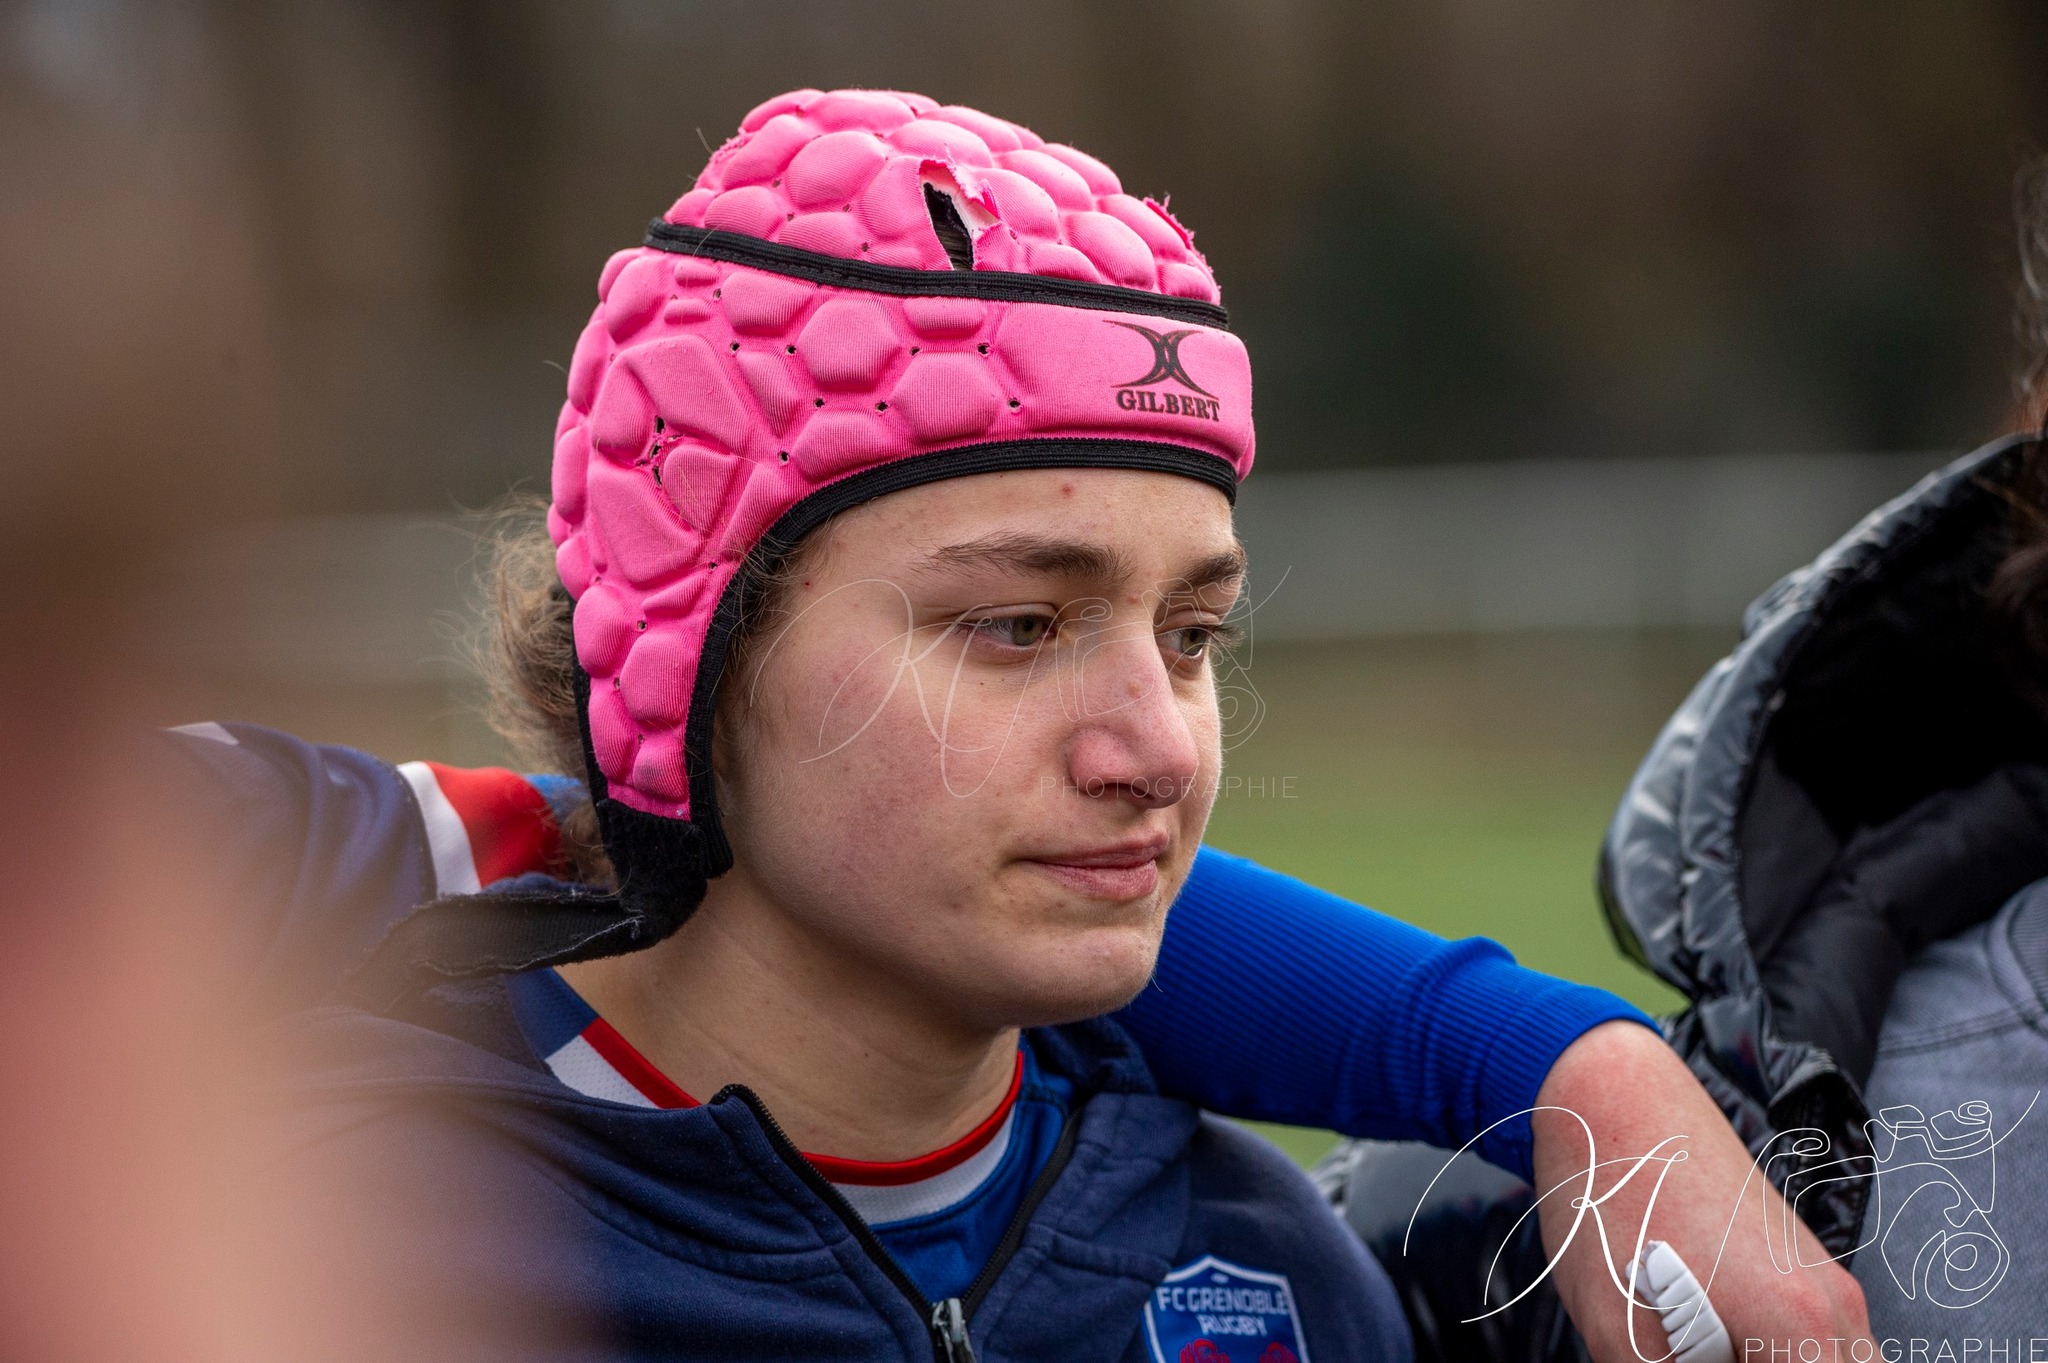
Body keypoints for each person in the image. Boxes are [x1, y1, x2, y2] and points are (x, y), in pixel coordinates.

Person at [169, 89, 1867, 1359]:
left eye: (1193, 632)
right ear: (691, 650)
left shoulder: (1277, 1279)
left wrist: (1569, 1064)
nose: (1160, 745)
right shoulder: (307, 1242)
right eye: (1016, 626)